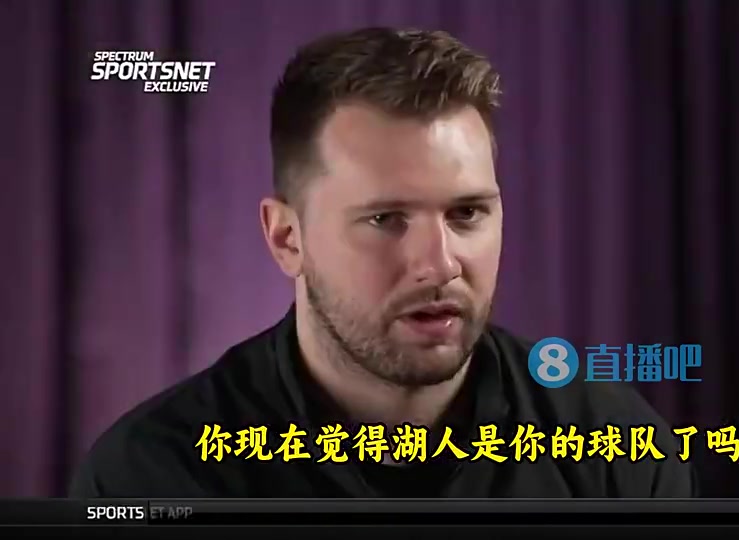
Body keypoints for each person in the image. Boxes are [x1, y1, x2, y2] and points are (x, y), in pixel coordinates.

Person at [69, 27, 697, 498]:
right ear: (287, 238)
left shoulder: (616, 455)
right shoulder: (153, 476)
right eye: (386, 219)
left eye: (467, 213)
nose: (440, 265)